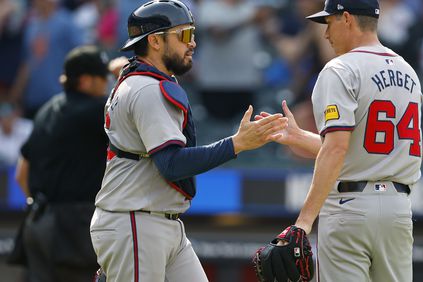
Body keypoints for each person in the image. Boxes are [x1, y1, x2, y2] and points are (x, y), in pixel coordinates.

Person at [89, 1, 288, 282]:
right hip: (134, 219)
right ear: (155, 41)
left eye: (193, 34)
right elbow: (171, 163)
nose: (192, 43)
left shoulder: (141, 77)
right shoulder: (147, 88)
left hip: (158, 219)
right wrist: (237, 143)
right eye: (183, 35)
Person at [259, 0, 422, 281]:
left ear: (347, 18)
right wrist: (301, 138)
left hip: (350, 208)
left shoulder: (340, 69)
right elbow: (359, 149)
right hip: (397, 210)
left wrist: (303, 222)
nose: (325, 33)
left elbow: (337, 148)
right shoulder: (408, 71)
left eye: (329, 22)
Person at [15, 45, 110, 282]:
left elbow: (21, 173)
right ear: (86, 81)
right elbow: (132, 111)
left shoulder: (47, 109)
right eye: (103, 77)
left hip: (38, 222)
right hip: (76, 228)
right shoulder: (97, 110)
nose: (106, 83)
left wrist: (40, 207)